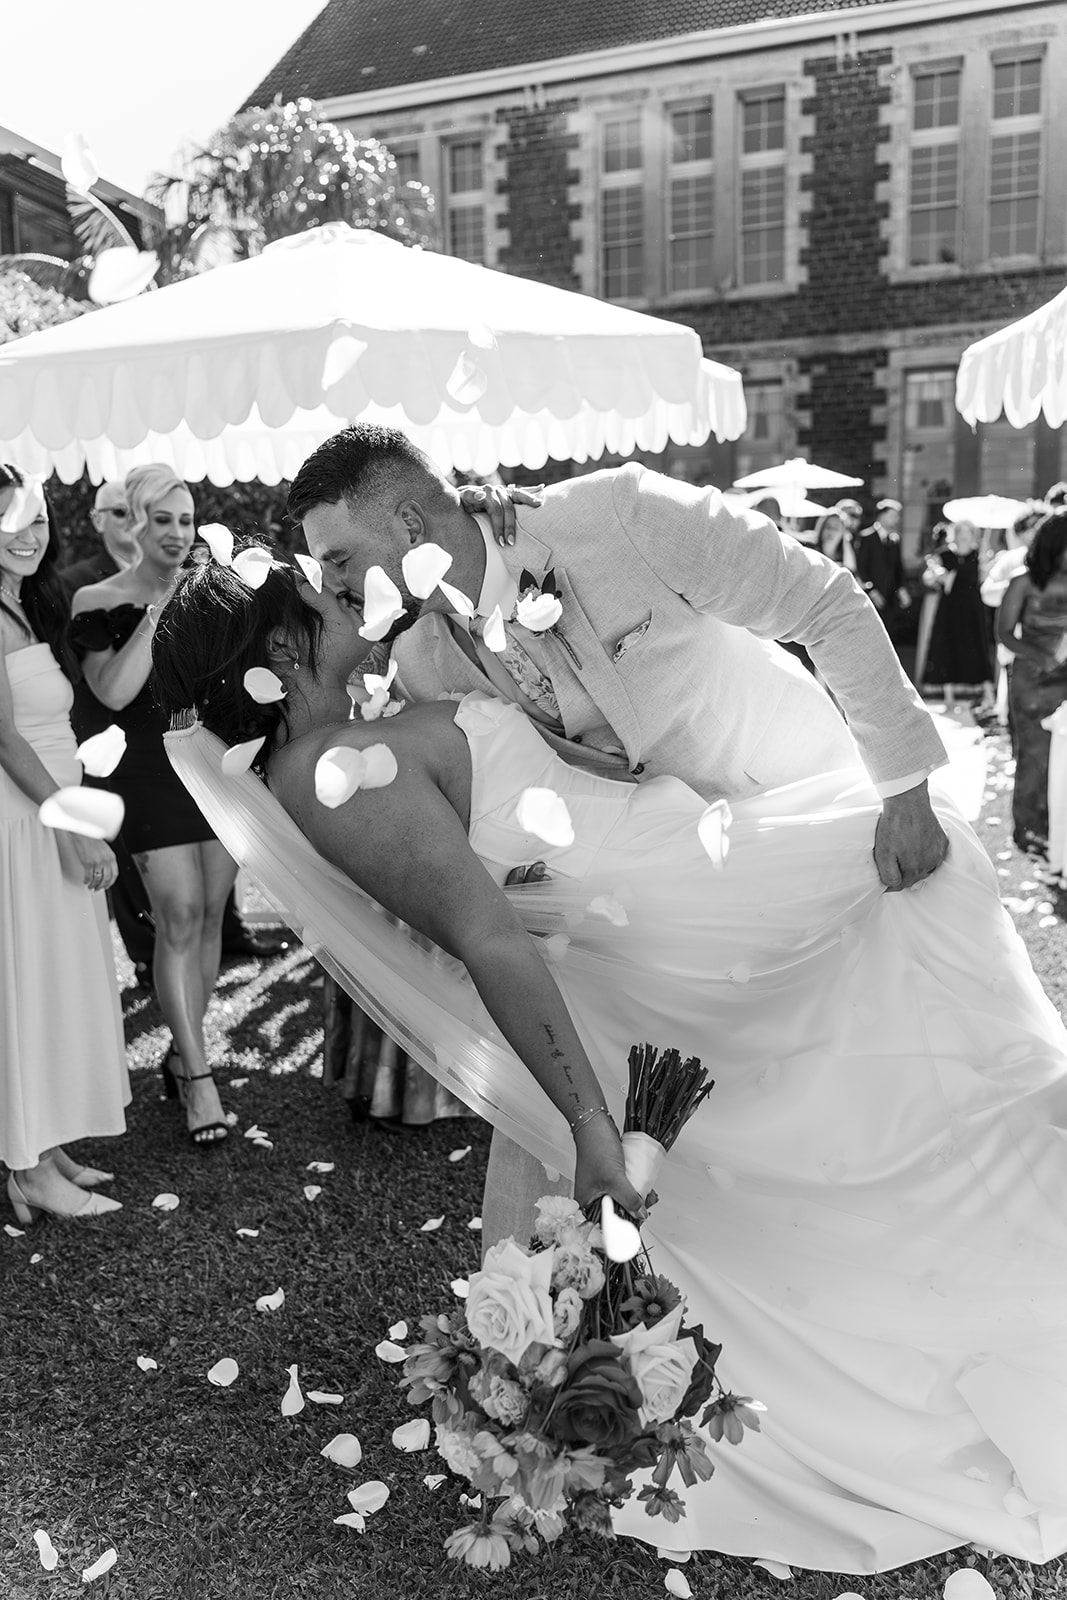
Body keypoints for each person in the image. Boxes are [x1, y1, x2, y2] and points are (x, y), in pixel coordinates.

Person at [153, 553, 1067, 1571]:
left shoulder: (357, 729)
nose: (344, 591)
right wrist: (591, 1127)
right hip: (677, 902)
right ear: (281, 646)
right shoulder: (326, 782)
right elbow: (488, 940)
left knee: (903, 961)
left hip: (684, 852)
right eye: (318, 594)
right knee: (930, 889)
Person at [286, 424, 949, 1244]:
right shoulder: (423, 660)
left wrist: (903, 788)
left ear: (411, 523)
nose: (332, 584)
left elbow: (824, 601)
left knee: (889, 1051)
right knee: (774, 1098)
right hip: (686, 898)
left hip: (807, 813)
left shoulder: (622, 513)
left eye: (339, 559)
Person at [69, 465, 236, 1147]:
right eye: (161, 519)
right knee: (179, 916)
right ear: (134, 524)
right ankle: (199, 1075)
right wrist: (159, 608)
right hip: (141, 773)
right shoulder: (96, 599)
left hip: (209, 769)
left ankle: (182, 1050)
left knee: (211, 916)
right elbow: (111, 691)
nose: (176, 533)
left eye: (186, 520)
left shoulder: (211, 592)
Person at [0, 466, 128, 1221]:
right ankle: (26, 1167)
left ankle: (44, 1148)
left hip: (43, 809)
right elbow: (5, 740)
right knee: (26, 989)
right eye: (9, 520)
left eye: (37, 519)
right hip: (23, 823)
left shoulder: (23, 603)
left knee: (46, 985)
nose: (26, 534)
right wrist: (75, 828)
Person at [996, 510, 1067, 857]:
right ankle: (1029, 828)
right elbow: (1004, 633)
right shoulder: (1022, 582)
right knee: (1034, 754)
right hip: (1033, 678)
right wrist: (1040, 655)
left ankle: (1056, 824)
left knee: (1061, 756)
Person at [920, 519, 995, 716]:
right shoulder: (943, 554)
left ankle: (988, 694)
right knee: (946, 646)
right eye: (961, 532)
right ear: (955, 534)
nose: (964, 536)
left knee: (977, 646)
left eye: (968, 532)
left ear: (973, 535)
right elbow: (928, 578)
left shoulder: (979, 554)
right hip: (949, 608)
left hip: (972, 608)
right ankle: (948, 698)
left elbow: (984, 579)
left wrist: (986, 563)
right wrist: (937, 573)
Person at [852, 497, 912, 652]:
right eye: (893, 516)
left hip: (890, 597)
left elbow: (898, 568)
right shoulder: (865, 537)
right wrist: (871, 590)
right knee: (869, 635)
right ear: (881, 516)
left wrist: (902, 589)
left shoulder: (895, 539)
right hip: (871, 597)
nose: (896, 520)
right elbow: (860, 568)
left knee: (888, 636)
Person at [58, 481, 139, 596]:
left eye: (138, 511)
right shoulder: (74, 583)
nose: (132, 519)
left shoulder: (164, 575)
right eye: (121, 512)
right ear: (98, 521)